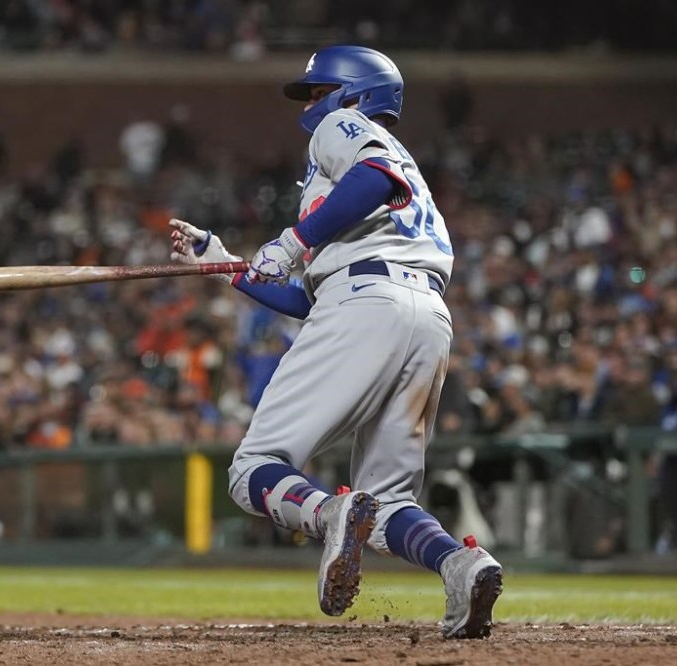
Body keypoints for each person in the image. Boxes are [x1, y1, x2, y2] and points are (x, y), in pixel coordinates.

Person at [169, 45, 502, 639]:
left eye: (320, 90)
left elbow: (376, 178)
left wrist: (294, 241)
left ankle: (328, 514)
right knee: (387, 502)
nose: (313, 103)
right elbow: (313, 300)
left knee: (254, 469)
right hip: (424, 315)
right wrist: (227, 266)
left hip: (368, 304)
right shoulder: (412, 180)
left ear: (353, 93)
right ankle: (460, 564)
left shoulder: (342, 128)